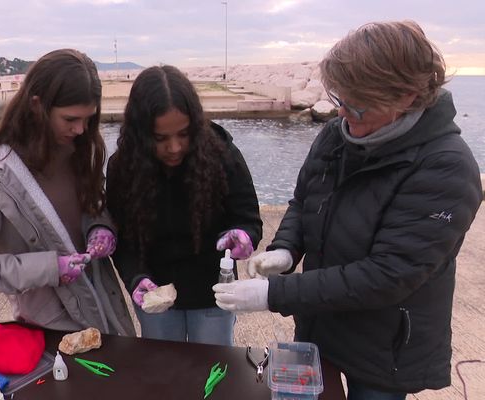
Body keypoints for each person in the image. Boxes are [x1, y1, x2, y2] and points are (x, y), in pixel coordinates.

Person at [213, 20, 482, 398]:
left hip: (384, 346)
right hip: (321, 323)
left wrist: (272, 293)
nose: (342, 114)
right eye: (340, 100)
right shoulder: (338, 135)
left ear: (405, 96)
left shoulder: (447, 168)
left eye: (356, 105)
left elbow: (388, 275)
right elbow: (304, 200)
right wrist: (286, 248)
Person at [0, 49, 135, 336]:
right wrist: (49, 268)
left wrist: (100, 225)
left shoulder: (77, 149)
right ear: (36, 105)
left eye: (88, 119)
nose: (81, 129)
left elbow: (91, 205)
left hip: (107, 306)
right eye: (70, 119)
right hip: (52, 325)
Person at [106, 65, 262, 345]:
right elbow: (124, 241)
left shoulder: (222, 154)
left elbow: (248, 217)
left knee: (212, 368)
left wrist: (243, 235)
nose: (175, 147)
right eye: (160, 139)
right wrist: (135, 278)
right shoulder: (122, 168)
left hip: (212, 293)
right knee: (164, 374)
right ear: (141, 133)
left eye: (183, 134)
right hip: (156, 294)